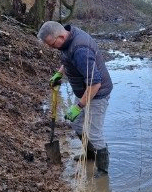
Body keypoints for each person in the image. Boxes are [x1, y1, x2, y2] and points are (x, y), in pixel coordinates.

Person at [37, 21, 113, 175]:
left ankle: (103, 171)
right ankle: (90, 155)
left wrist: (79, 106)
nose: (52, 48)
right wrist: (60, 72)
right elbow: (68, 58)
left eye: (52, 44)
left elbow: (95, 84)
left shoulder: (80, 50)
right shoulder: (67, 39)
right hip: (83, 91)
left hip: (97, 94)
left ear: (61, 35)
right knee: (77, 124)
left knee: (93, 133)